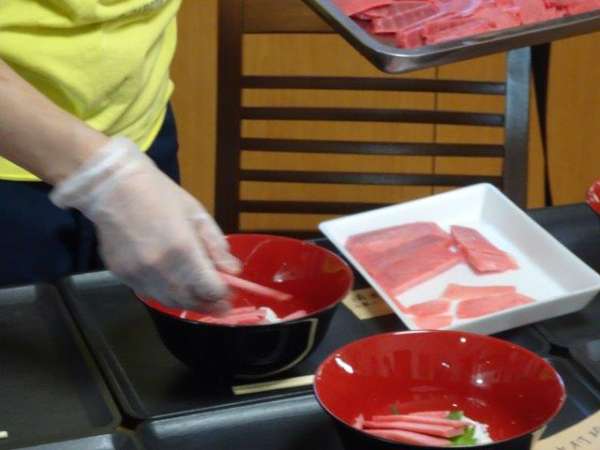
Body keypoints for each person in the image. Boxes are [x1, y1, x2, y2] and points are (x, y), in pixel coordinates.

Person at [0, 0, 239, 311]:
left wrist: (116, 175)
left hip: (141, 134)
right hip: (13, 163)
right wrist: (106, 177)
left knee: (131, 324)